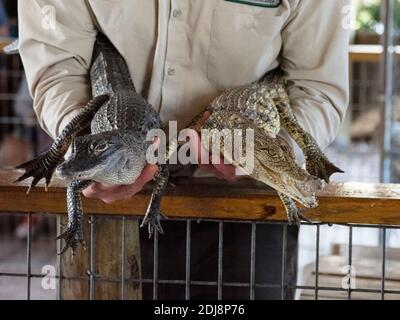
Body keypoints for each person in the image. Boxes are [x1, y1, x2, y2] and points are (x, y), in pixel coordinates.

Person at [18, 0, 349, 299]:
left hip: (248, 207)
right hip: (111, 203)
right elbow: (55, 64)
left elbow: (317, 88)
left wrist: (272, 154)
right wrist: (94, 148)